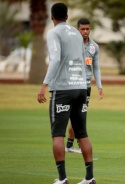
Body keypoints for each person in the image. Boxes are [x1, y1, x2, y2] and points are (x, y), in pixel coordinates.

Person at [37, 3, 96, 184]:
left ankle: (62, 179)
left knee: (58, 135)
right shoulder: (77, 34)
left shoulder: (53, 33)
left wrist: (44, 85)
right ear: (67, 17)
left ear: (52, 17)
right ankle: (89, 178)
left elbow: (55, 59)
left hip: (63, 89)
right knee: (82, 134)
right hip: (81, 88)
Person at [65, 18, 103, 154]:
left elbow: (96, 68)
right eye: (83, 29)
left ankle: (70, 145)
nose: (85, 31)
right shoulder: (72, 45)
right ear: (78, 29)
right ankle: (77, 144)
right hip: (72, 85)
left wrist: (99, 86)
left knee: (79, 115)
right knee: (74, 115)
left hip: (86, 87)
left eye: (87, 29)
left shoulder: (94, 47)